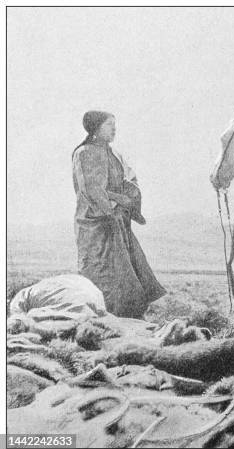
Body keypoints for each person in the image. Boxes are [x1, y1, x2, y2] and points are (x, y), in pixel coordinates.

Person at [72, 111, 166, 318]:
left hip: (116, 220)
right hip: (96, 223)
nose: (114, 129)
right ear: (95, 128)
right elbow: (91, 189)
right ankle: (101, 318)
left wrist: (130, 196)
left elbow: (124, 181)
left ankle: (126, 317)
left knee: (126, 270)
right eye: (109, 125)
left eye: (115, 124)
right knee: (101, 272)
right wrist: (114, 204)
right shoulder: (85, 152)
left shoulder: (112, 154)